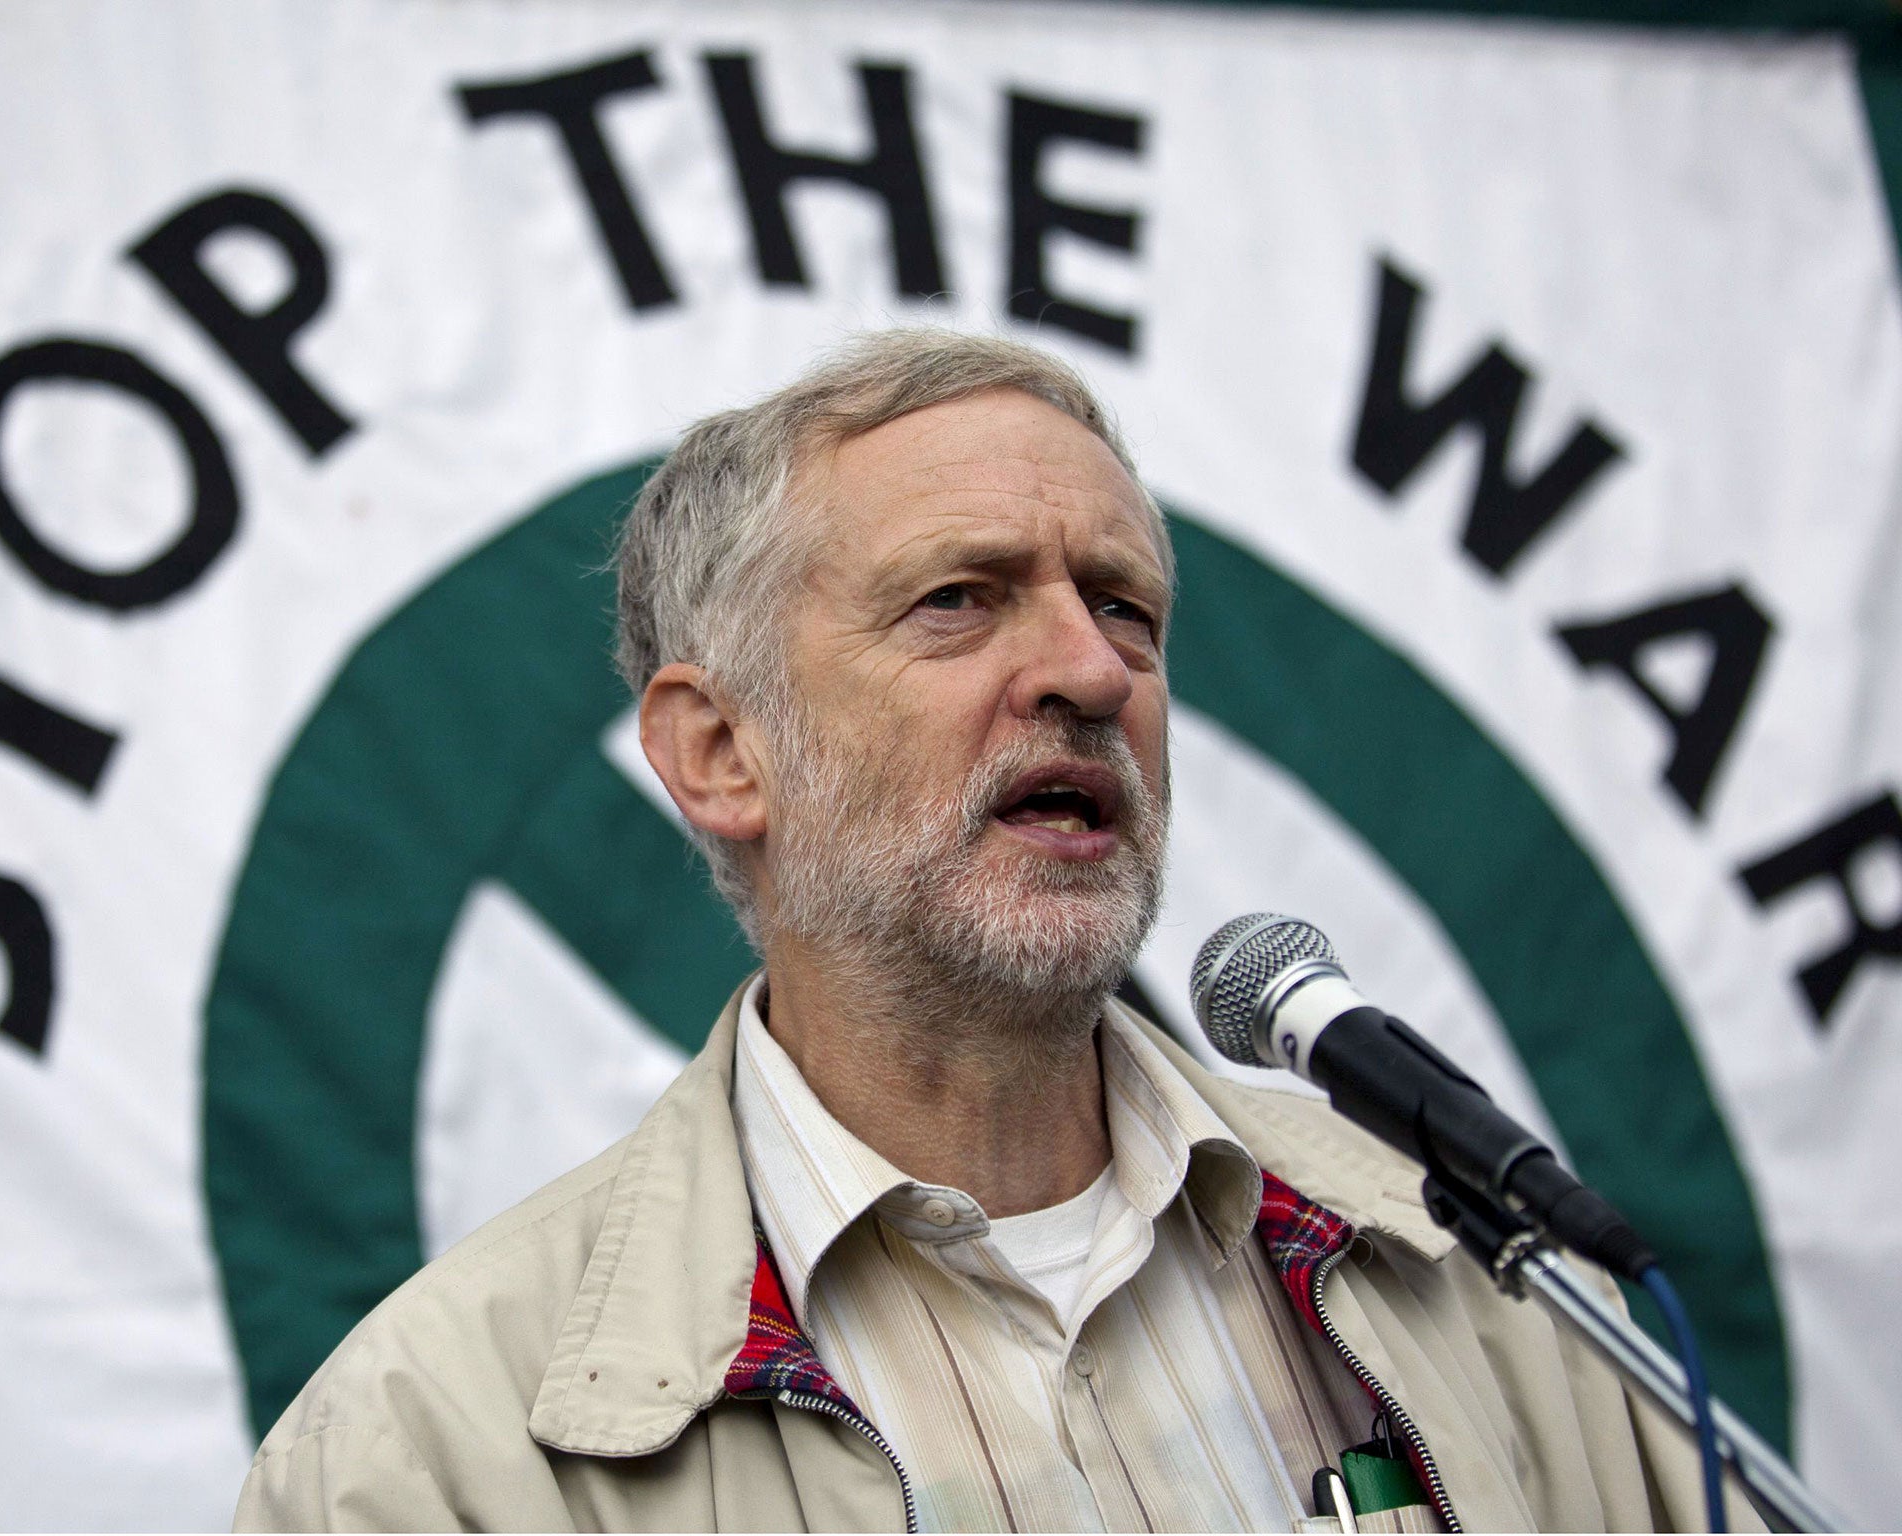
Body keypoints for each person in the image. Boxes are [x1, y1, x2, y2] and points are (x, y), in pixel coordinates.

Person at [235, 330, 1752, 1532]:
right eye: (960, 600)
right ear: (718, 754)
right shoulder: (434, 1451)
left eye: (1128, 612)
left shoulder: (1491, 1285)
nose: (1088, 674)